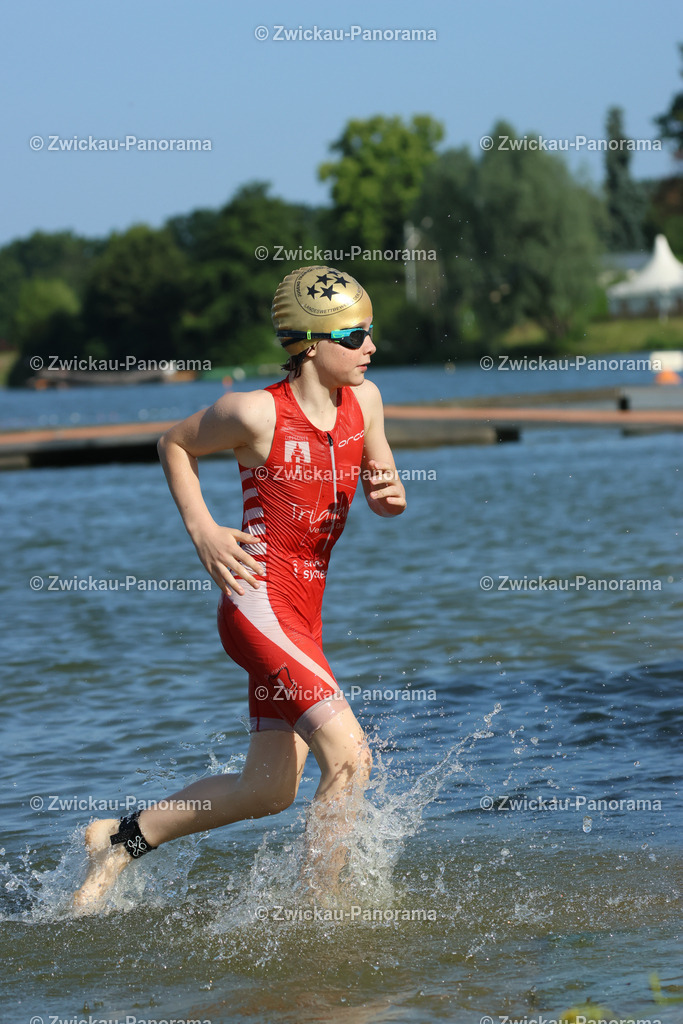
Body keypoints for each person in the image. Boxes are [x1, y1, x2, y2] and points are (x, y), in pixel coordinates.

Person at [74, 265, 406, 912]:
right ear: (311, 343)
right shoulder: (255, 413)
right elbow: (174, 443)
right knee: (350, 758)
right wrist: (202, 531)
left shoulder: (365, 402)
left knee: (268, 789)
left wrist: (389, 494)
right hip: (256, 605)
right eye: (357, 334)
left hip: (302, 618)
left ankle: (119, 838)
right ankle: (321, 917)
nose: (372, 347)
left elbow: (382, 479)